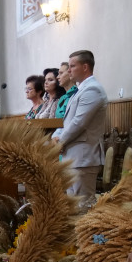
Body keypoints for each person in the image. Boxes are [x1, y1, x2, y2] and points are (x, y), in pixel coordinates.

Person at [55, 49, 109, 199]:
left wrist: (60, 142)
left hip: (83, 157)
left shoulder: (93, 89)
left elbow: (79, 122)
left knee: (82, 206)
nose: (69, 70)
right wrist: (56, 136)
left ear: (85, 67)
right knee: (73, 205)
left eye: (72, 66)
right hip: (73, 157)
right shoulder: (80, 90)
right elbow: (68, 121)